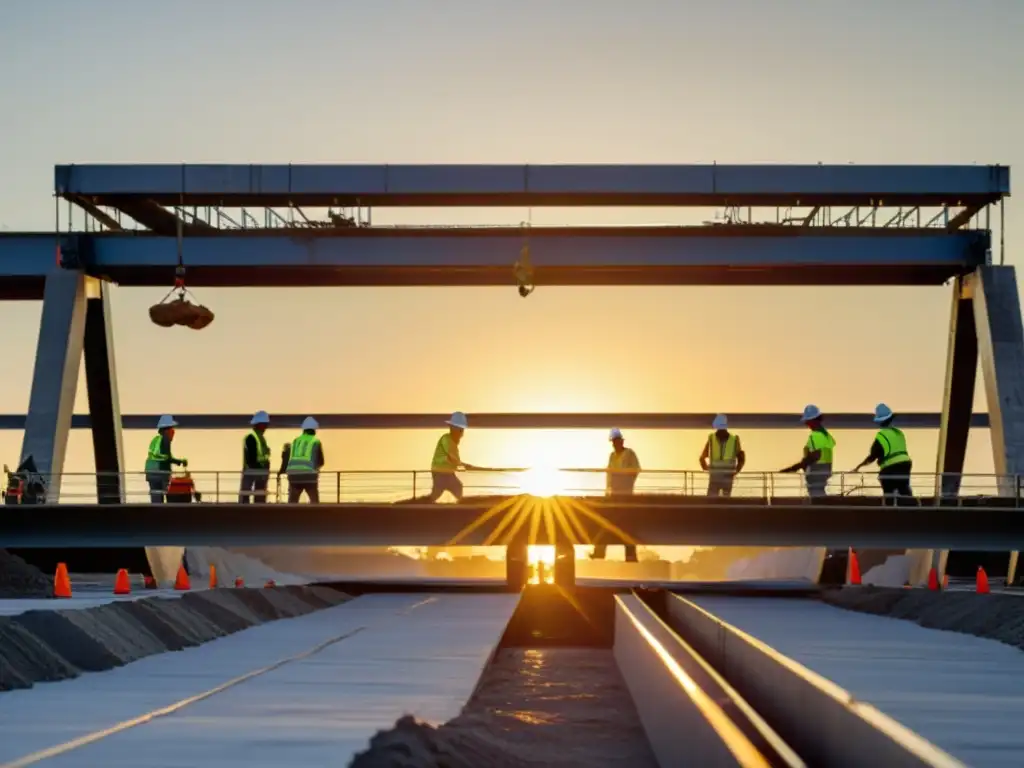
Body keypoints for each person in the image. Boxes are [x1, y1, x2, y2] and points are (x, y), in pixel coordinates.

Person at [592, 428, 640, 563]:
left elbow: (635, 469)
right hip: (614, 494)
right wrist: (607, 490)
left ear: (621, 441)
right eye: (613, 442)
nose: (615, 444)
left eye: (616, 441)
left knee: (626, 526)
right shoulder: (612, 456)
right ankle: (599, 553)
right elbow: (609, 473)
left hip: (625, 494)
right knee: (605, 523)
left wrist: (625, 479)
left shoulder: (629, 453)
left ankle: (630, 557)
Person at [853, 403, 913, 501]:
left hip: (891, 467)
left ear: (879, 422)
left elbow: (872, 456)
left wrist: (859, 466)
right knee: (904, 488)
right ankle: (911, 508)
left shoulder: (881, 436)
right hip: (906, 464)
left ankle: (890, 508)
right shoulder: (899, 432)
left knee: (888, 490)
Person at [423, 412, 482, 502]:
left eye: (461, 430)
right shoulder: (446, 439)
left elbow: (454, 459)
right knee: (441, 492)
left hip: (447, 472)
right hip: (441, 472)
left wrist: (462, 464)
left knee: (455, 487)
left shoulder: (452, 442)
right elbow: (452, 456)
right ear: (453, 429)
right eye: (460, 430)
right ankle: (424, 505)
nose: (461, 433)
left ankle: (427, 503)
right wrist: (464, 465)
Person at [779, 405, 835, 498]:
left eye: (807, 421)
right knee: (819, 494)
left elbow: (816, 456)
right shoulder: (825, 435)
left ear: (813, 420)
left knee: (816, 495)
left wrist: (795, 467)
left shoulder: (817, 435)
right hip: (825, 470)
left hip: (817, 471)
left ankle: (817, 509)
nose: (806, 424)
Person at [279, 417, 323, 503]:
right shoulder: (315, 441)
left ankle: (291, 514)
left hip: (293, 475)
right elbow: (321, 461)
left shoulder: (295, 441)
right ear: (314, 430)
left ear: (303, 429)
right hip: (309, 475)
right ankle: (317, 514)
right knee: (314, 500)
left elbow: (288, 458)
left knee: (293, 501)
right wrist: (316, 468)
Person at [144, 415, 187, 503]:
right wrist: (180, 462)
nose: (173, 432)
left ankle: (155, 511)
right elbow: (167, 457)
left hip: (150, 471)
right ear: (167, 430)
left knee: (155, 495)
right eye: (172, 429)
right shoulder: (165, 439)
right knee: (161, 495)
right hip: (159, 471)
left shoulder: (156, 439)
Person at [700, 414, 745, 497]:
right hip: (725, 477)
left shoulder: (732, 439)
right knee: (723, 502)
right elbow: (741, 458)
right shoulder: (732, 439)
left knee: (712, 502)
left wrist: (706, 468)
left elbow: (702, 458)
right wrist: (736, 471)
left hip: (718, 477)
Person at [239, 410, 272, 503]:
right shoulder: (252, 437)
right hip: (253, 470)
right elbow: (252, 457)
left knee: (256, 493)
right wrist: (262, 467)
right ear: (260, 424)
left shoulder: (260, 438)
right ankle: (246, 509)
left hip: (259, 470)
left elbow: (263, 454)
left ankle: (247, 508)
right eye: (265, 425)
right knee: (249, 493)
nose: (266, 427)